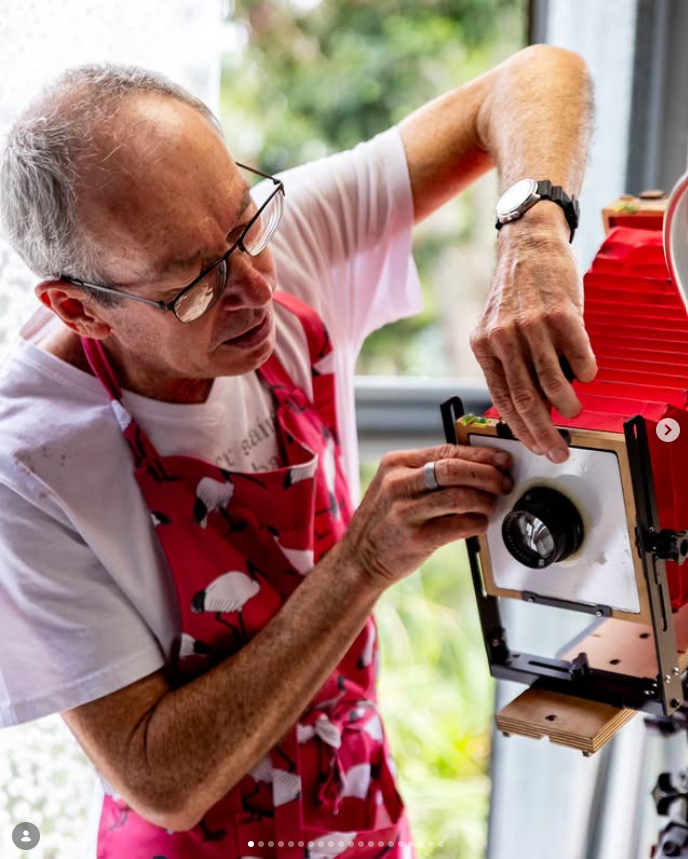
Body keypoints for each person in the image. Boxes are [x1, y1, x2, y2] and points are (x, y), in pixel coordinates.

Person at [0, 44, 595, 858]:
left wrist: (534, 235)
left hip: (356, 806)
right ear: (82, 309)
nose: (256, 288)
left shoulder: (278, 237)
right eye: (194, 285)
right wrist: (360, 565)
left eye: (246, 224)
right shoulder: (30, 464)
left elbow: (536, 76)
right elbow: (162, 779)